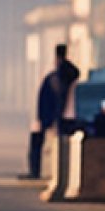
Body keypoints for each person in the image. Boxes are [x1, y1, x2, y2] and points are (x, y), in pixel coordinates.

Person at [23, 43, 80, 179]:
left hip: (54, 114)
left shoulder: (56, 76)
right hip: (61, 114)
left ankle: (35, 171)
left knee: (37, 142)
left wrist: (42, 117)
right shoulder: (69, 74)